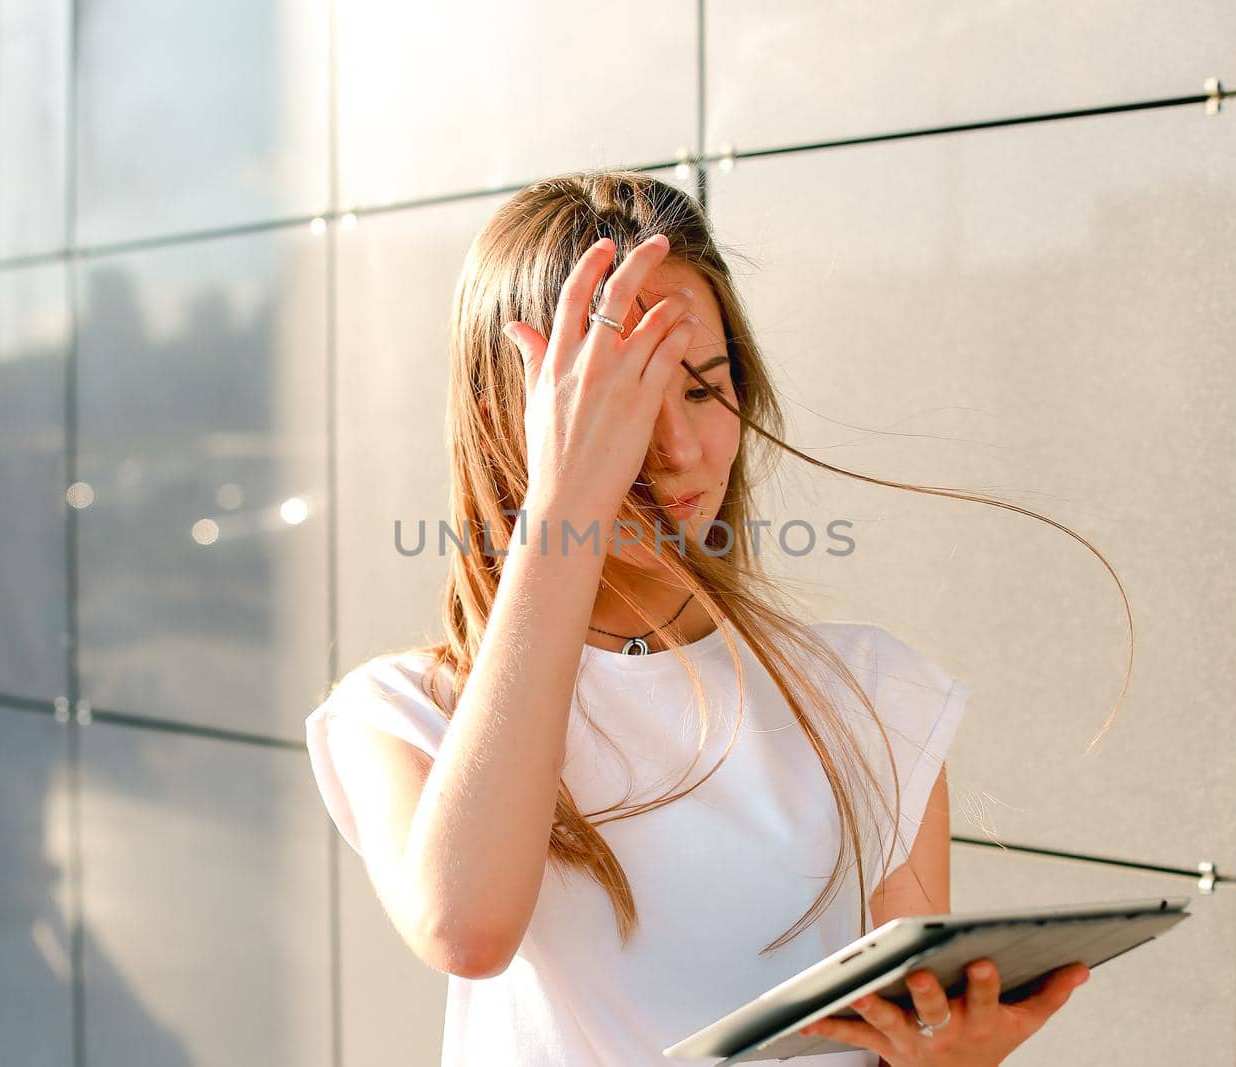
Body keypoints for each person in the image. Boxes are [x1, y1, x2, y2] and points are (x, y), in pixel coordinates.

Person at [305, 170, 1100, 1066]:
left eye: (702, 389)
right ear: (513, 419)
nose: (678, 451)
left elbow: (901, 1033)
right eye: (629, 398)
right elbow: (467, 931)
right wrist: (565, 499)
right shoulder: (407, 714)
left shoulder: (873, 695)